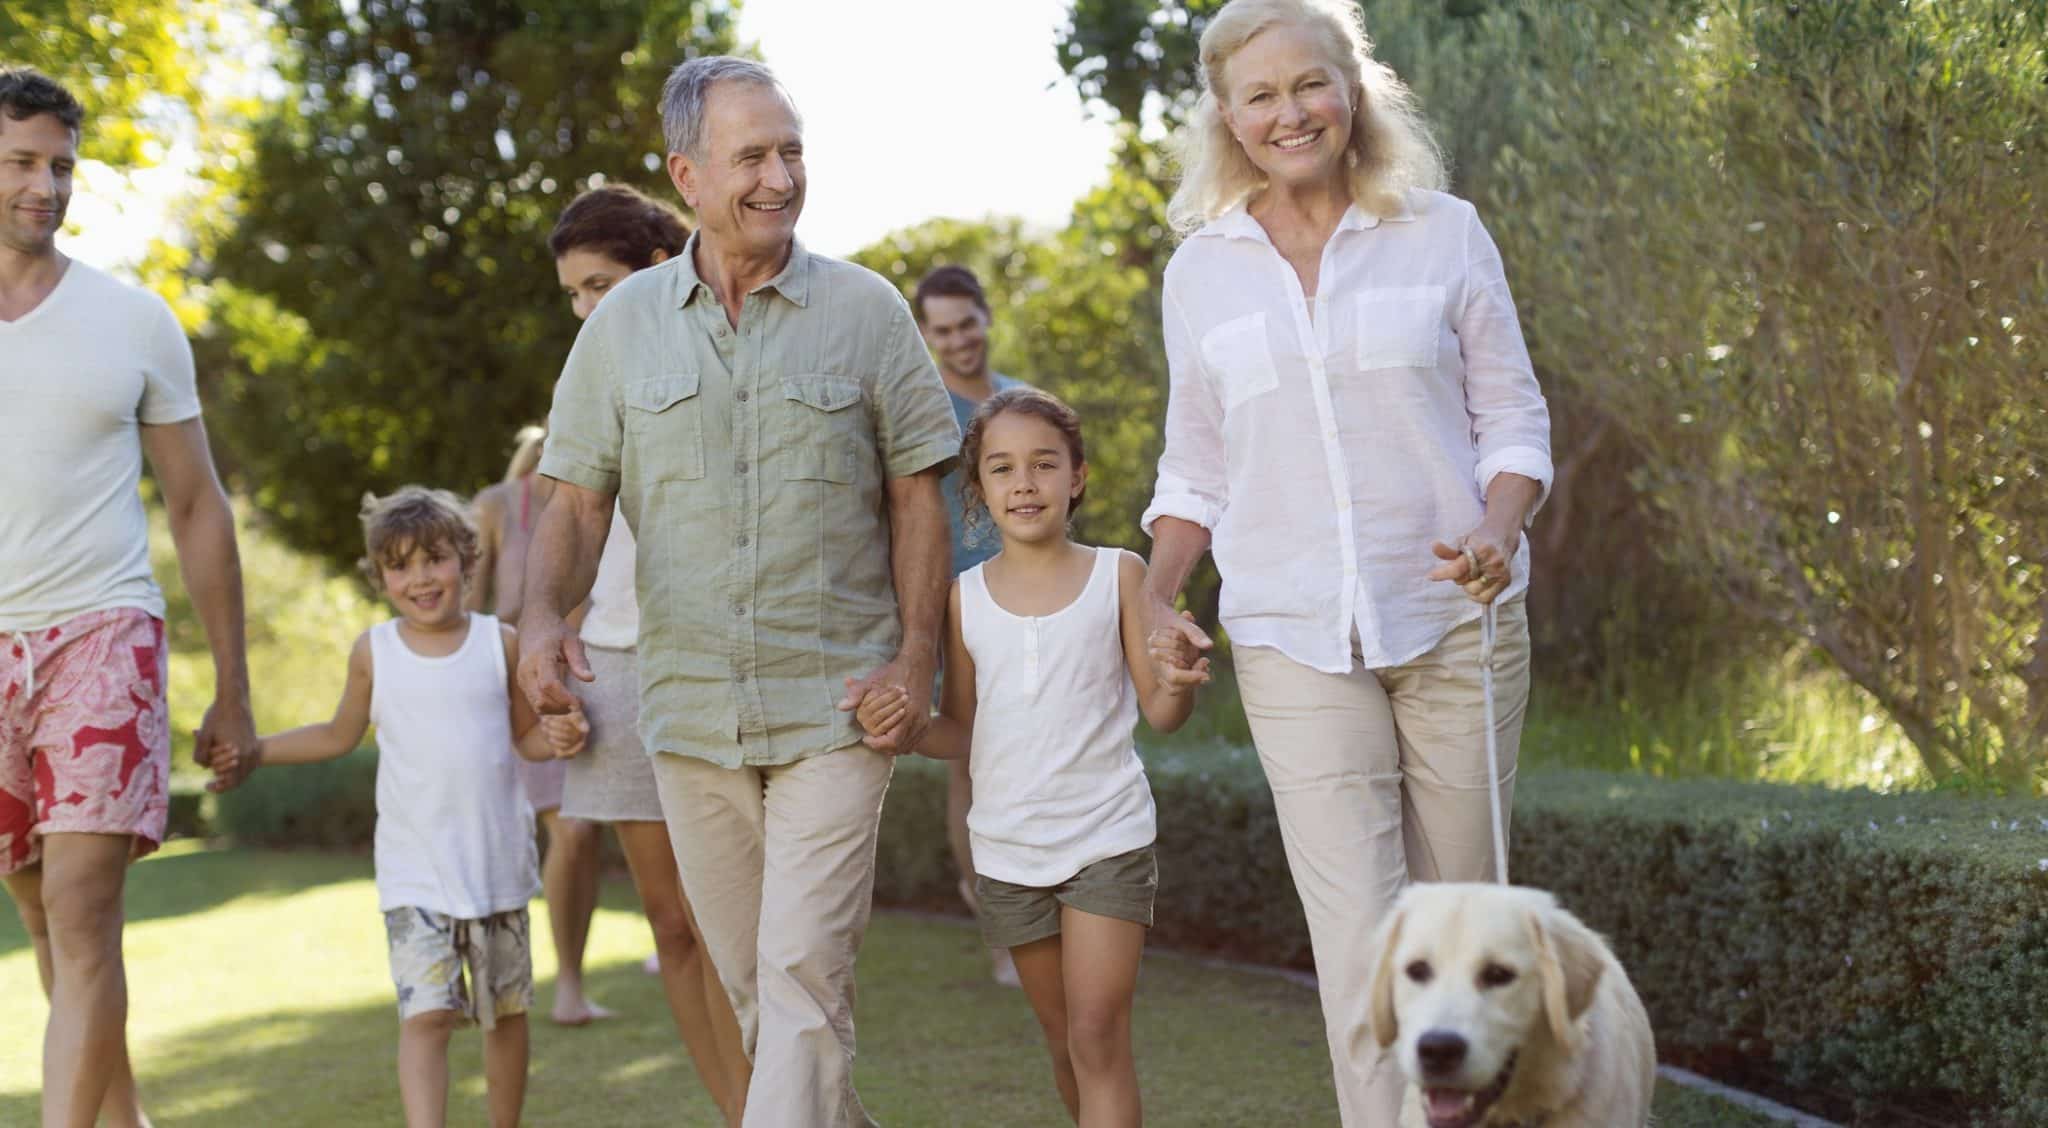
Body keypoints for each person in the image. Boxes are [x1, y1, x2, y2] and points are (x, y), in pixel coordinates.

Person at [515, 57, 960, 1127]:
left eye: (791, 151)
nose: (779, 177)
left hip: (840, 702)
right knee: (764, 995)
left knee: (801, 971)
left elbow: (918, 497)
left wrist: (915, 658)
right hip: (691, 711)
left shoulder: (867, 311)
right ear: (688, 175)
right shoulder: (621, 328)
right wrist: (537, 619)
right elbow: (573, 503)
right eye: (751, 156)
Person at [1139, 2, 1552, 1124]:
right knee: (1363, 942)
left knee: (1466, 931)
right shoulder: (1201, 273)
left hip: (1456, 621)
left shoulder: (1444, 232)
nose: (1290, 113)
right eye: (1260, 95)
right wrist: (1156, 595)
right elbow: (1195, 468)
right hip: (1290, 636)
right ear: (1227, 117)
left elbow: (1513, 420)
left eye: (1309, 84)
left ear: (1352, 89)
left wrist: (1498, 529)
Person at [0, 67, 257, 1128]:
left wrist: (233, 687)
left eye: (62, 166)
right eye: (21, 163)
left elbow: (198, 507)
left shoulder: (134, 320)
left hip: (103, 630)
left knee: (81, 906)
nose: (46, 186)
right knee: (41, 914)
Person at [856, 389, 1205, 1127]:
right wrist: (904, 728)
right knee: (1063, 1041)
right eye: (1002, 468)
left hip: (1107, 838)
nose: (1024, 483)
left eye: (1044, 464)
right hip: (1008, 853)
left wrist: (1177, 683)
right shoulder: (961, 598)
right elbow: (962, 730)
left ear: (1077, 476)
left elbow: (1161, 712)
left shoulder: (1120, 574)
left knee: (1097, 1034)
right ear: (978, 488)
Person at [230, 487, 575, 1128]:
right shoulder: (374, 652)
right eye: (399, 565)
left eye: (434, 559)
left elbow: (526, 738)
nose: (419, 578)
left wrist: (560, 734)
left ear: (467, 560)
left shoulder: (499, 644)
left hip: (497, 868)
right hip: (414, 876)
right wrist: (255, 750)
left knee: (505, 1015)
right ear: (381, 576)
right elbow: (337, 735)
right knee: (428, 1016)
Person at [539, 182, 750, 1123]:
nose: (586, 309)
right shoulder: (585, 385)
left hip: (713, 664)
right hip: (615, 669)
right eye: (574, 294)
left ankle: (781, 1102)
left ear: (660, 268)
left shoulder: (728, 359)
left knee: (732, 923)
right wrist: (549, 644)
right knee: (671, 925)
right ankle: (739, 1111)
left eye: (600, 284)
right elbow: (568, 528)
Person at [470, 427, 611, 1026]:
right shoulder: (498, 505)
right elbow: (468, 606)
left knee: (588, 836)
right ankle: (564, 986)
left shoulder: (608, 492)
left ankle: (573, 979)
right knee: (571, 829)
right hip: (527, 680)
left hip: (601, 674)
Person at [911, 264, 1027, 988]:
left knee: (1033, 762)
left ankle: (1044, 909)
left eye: (966, 324)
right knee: (973, 767)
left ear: (985, 317)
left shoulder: (1022, 400)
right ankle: (997, 926)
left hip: (1032, 604)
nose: (958, 341)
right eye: (942, 331)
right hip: (958, 609)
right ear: (927, 336)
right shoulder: (924, 410)